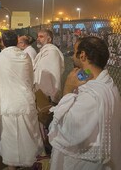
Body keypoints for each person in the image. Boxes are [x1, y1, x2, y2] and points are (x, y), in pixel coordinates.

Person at [48, 36, 121, 169]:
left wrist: (68, 88)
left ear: (82, 55)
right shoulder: (106, 81)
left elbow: (67, 130)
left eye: (75, 51)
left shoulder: (91, 94)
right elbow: (87, 77)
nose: (71, 57)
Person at [0, 31, 43, 169]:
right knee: (27, 136)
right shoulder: (26, 57)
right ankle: (29, 164)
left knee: (9, 138)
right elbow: (30, 79)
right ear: (16, 41)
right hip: (25, 102)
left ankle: (12, 167)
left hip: (7, 103)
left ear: (2, 42)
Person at [33, 29, 64, 103]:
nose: (38, 39)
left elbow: (48, 77)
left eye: (41, 37)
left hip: (47, 96)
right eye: (38, 37)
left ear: (49, 39)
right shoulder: (44, 51)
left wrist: (49, 96)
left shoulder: (52, 52)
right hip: (40, 94)